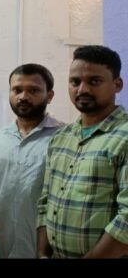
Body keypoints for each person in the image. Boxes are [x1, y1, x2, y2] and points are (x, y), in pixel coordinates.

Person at [37, 45, 128, 258]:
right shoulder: (61, 137)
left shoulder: (124, 137)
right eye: (75, 82)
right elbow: (45, 201)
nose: (82, 90)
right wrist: (41, 254)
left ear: (118, 85)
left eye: (94, 81)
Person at [0, 64, 63, 259]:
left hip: (52, 250)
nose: (23, 97)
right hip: (8, 249)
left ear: (49, 96)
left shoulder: (64, 137)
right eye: (17, 90)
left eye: (33, 90)